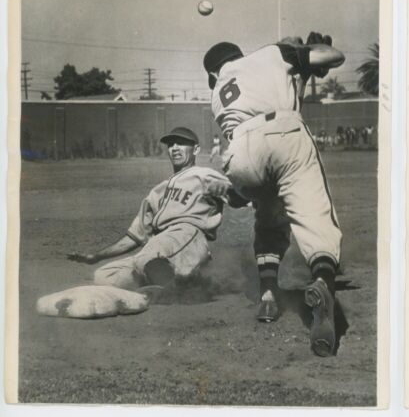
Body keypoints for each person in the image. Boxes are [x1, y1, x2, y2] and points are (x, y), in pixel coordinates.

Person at [203, 32, 345, 357]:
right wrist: (304, 53)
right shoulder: (270, 53)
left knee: (268, 215)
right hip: (283, 133)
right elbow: (331, 56)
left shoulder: (218, 94)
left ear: (213, 74)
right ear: (239, 53)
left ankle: (268, 294)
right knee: (314, 216)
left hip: (240, 155)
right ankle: (323, 280)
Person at [67, 127, 233, 294]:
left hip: (188, 235)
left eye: (181, 143)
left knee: (150, 253)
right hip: (160, 248)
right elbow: (134, 236)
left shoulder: (203, 175)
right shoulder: (157, 191)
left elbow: (242, 192)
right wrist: (97, 256)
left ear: (196, 149)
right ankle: (180, 282)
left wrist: (233, 192)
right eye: (170, 144)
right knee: (104, 275)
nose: (174, 147)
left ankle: (174, 293)